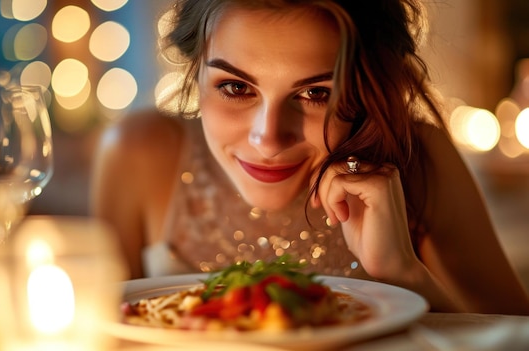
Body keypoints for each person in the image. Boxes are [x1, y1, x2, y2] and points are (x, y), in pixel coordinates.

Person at [90, 0, 529, 314]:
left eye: (316, 93)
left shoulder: (418, 156)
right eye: (237, 87)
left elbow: (512, 336)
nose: (268, 139)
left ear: (362, 89)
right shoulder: (137, 152)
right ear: (195, 71)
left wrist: (403, 274)